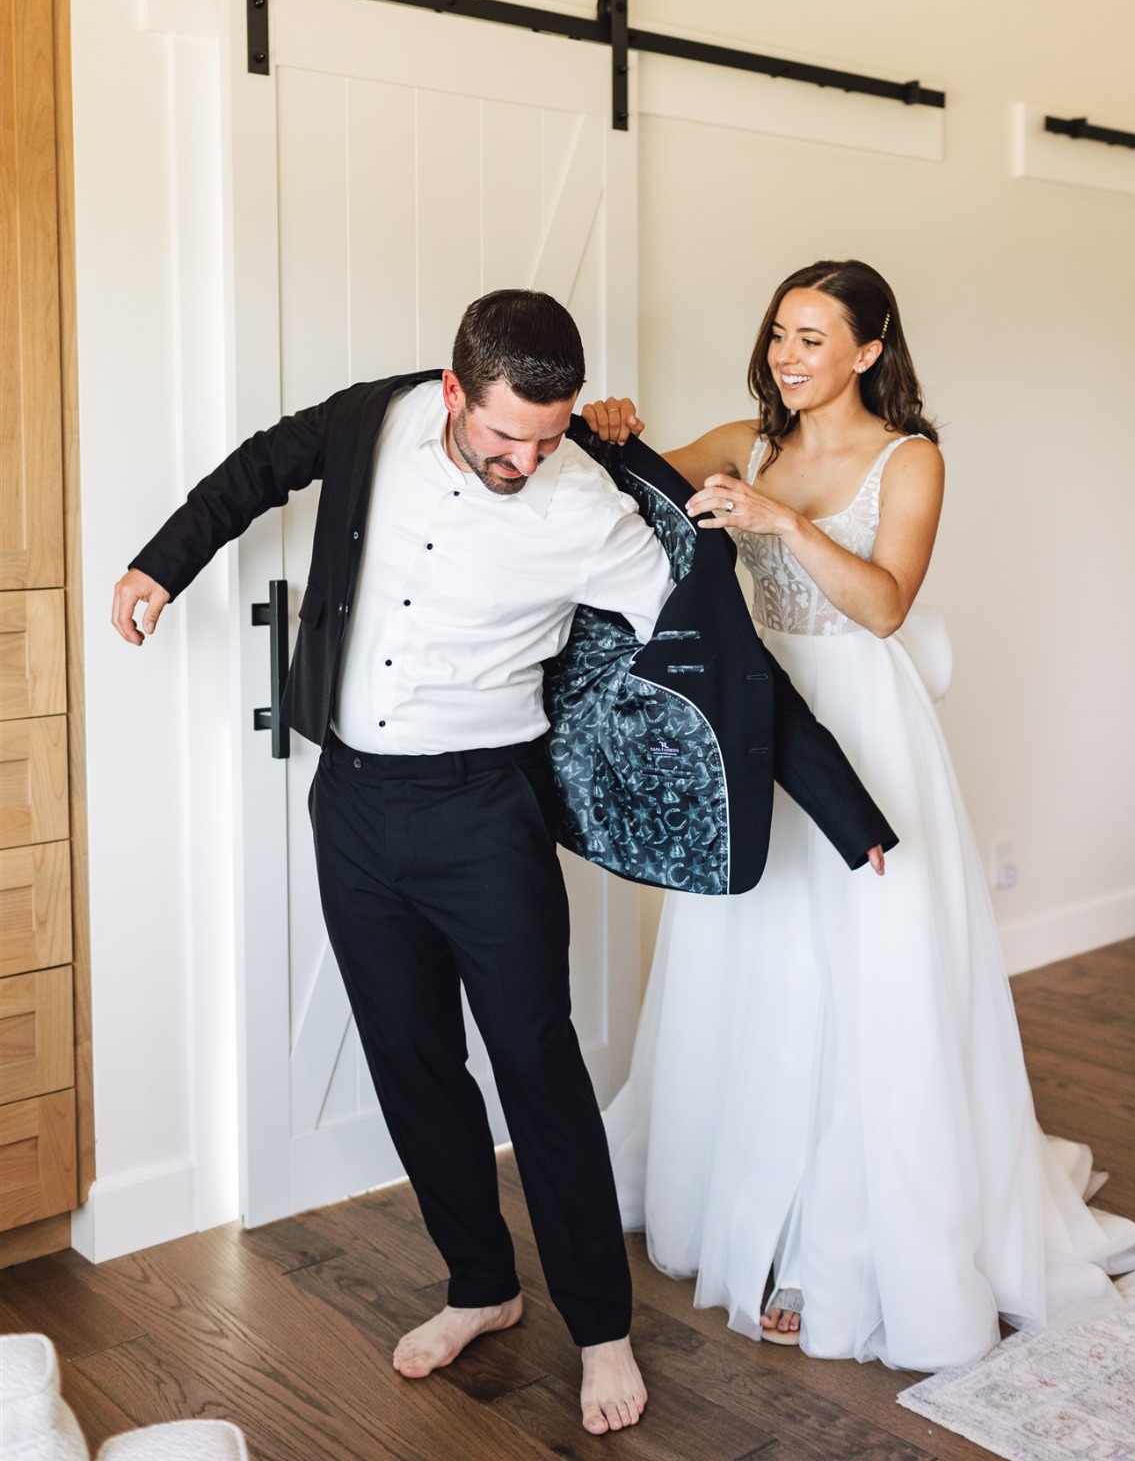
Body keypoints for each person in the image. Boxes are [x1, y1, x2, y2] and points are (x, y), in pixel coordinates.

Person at [112, 288, 894, 1433]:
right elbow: (252, 472)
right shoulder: (370, 421)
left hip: (486, 813)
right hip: (356, 809)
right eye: (501, 435)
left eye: (548, 432)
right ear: (452, 392)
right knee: (411, 1060)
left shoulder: (590, 507)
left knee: (538, 1068)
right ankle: (480, 1286)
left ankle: (601, 1330)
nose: (525, 458)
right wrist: (157, 567)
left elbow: (727, 665)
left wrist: (843, 807)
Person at [585, 260, 1135, 1372]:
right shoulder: (745, 441)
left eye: (812, 338)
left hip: (860, 727)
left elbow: (885, 605)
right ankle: (741, 1212)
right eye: (780, 335)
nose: (789, 357)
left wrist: (780, 525)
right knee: (755, 962)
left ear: (868, 350)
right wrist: (611, 430)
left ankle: (833, 1244)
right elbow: (630, 482)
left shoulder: (912, 459)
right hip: (757, 731)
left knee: (866, 977)